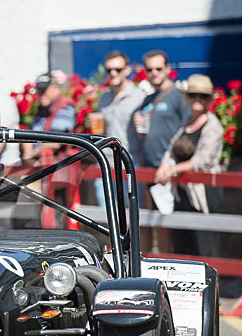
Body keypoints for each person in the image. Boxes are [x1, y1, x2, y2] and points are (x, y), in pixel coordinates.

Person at [154, 74, 223, 256]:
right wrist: (164, 166)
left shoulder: (213, 125)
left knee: (205, 247)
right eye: (193, 95)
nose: (197, 100)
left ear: (210, 99)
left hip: (203, 195)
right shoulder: (187, 123)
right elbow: (172, 150)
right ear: (186, 97)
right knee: (183, 246)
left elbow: (202, 161)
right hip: (183, 193)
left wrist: (172, 169)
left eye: (203, 96)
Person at [130, 49, 190, 253]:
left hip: (168, 169)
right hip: (149, 169)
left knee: (168, 226)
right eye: (150, 69)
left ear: (167, 69)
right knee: (151, 223)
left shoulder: (178, 96)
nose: (154, 73)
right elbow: (146, 135)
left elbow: (187, 129)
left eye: (158, 68)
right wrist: (140, 127)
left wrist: (175, 163)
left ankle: (170, 265)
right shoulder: (148, 100)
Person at [93, 50, 146, 205]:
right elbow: (104, 131)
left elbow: (146, 132)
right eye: (109, 70)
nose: (113, 73)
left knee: (131, 212)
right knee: (106, 212)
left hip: (129, 163)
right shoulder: (104, 98)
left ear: (127, 70)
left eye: (118, 69)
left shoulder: (139, 97)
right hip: (105, 163)